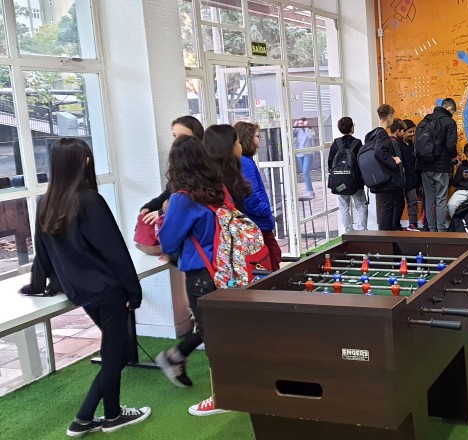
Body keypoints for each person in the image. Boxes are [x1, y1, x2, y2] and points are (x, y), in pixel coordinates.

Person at [24, 138, 151, 436]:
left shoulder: (45, 203)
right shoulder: (89, 201)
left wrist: (39, 285)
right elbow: (114, 251)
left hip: (81, 293)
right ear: (85, 162)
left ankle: (85, 419)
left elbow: (42, 256)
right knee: (117, 353)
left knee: (118, 351)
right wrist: (134, 291)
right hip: (108, 290)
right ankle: (110, 416)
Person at [156, 135, 230, 417]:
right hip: (228, 268)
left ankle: (221, 394)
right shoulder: (218, 189)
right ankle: (177, 357)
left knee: (210, 333)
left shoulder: (182, 199)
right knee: (222, 329)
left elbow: (168, 242)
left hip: (201, 274)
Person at [234, 121, 282, 270]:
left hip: (257, 222)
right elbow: (250, 196)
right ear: (247, 138)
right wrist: (265, 211)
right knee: (271, 262)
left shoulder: (245, 161)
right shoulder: (245, 163)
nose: (259, 140)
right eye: (257, 136)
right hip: (258, 223)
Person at [139, 116, 205, 225]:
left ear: (196, 138)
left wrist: (162, 212)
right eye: (174, 136)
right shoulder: (179, 161)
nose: (176, 141)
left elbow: (192, 199)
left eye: (182, 136)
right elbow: (169, 190)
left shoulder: (205, 164)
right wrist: (150, 206)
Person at [416, 98, 458, 232]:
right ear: (450, 109)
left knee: (429, 199)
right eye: (453, 112)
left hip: (424, 165)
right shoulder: (449, 122)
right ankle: (441, 230)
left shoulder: (425, 120)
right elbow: (450, 145)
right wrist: (454, 156)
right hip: (441, 166)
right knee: (441, 199)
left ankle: (431, 229)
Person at [364, 105, 405, 230]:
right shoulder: (382, 133)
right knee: (387, 208)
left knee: (386, 207)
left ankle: (386, 234)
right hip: (386, 177)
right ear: (390, 117)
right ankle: (385, 235)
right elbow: (379, 152)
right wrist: (393, 161)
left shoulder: (372, 134)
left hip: (378, 176)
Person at [327, 116, 368, 232]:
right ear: (351, 128)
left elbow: (330, 162)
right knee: (361, 205)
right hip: (355, 181)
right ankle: (363, 230)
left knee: (344, 207)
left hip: (340, 181)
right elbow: (361, 162)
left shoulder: (336, 143)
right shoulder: (357, 143)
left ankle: (348, 231)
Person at [400, 119, 421, 230]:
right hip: (401, 179)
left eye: (413, 132)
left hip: (412, 179)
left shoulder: (413, 145)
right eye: (410, 132)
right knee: (399, 203)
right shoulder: (397, 145)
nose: (412, 134)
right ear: (402, 131)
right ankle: (396, 223)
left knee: (413, 201)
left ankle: (413, 223)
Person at [294, 117, 316, 198]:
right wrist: (294, 126)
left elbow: (310, 136)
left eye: (302, 123)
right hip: (299, 154)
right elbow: (290, 135)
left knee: (306, 171)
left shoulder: (310, 130)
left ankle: (310, 191)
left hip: (308, 153)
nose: (300, 125)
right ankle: (309, 190)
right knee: (304, 172)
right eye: (299, 124)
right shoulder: (298, 130)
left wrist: (306, 127)